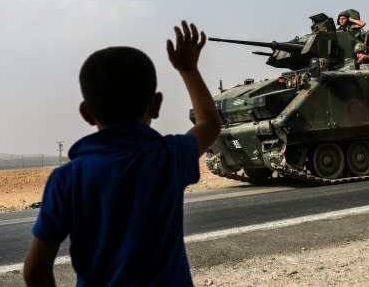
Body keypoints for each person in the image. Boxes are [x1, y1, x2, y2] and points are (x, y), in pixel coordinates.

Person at [23, 20, 221, 287]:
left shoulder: (67, 178)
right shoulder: (168, 156)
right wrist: (189, 70)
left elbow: (35, 272)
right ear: (155, 105)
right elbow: (209, 123)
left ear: (86, 112)